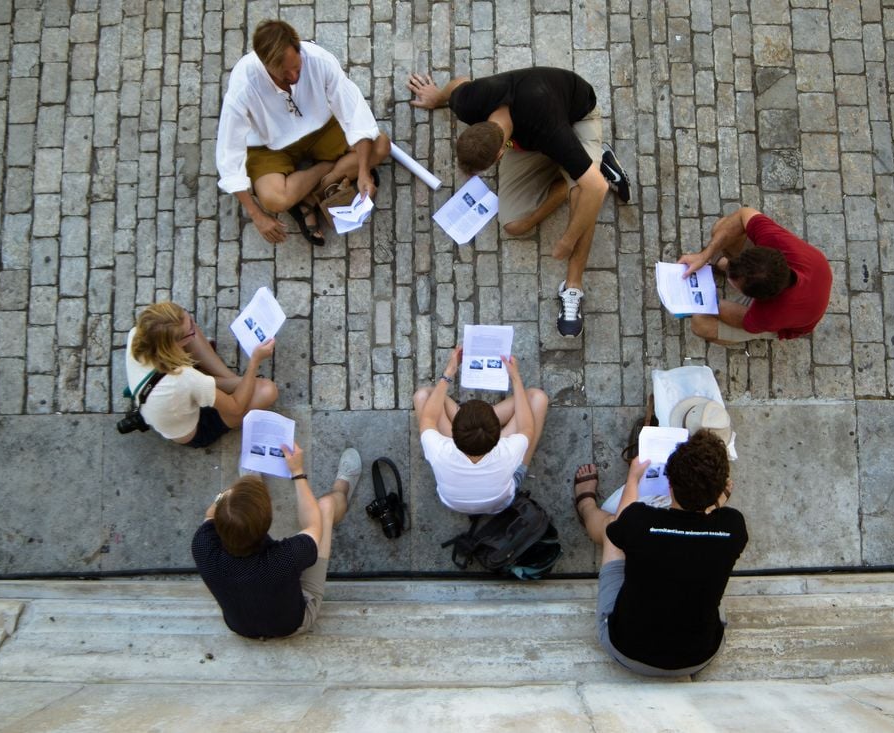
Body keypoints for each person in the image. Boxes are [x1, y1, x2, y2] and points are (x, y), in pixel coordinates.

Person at [407, 67, 631, 337]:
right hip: (530, 141)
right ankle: (581, 171)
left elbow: (596, 191)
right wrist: (437, 98)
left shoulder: (548, 129)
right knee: (513, 224)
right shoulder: (469, 103)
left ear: (501, 151)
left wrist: (567, 240)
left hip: (574, 120)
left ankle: (573, 285)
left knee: (585, 193)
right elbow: (458, 83)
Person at [573, 430, 747, 677]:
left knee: (613, 531)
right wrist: (713, 503)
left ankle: (585, 505)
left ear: (669, 483)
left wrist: (633, 479)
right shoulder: (733, 526)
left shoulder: (639, 522)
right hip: (700, 655)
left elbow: (619, 526)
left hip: (627, 649)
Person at [216, 19, 391, 247]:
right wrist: (256, 215)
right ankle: (330, 172)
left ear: (299, 48)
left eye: (296, 68)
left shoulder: (319, 60)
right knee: (274, 199)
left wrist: (364, 172)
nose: (293, 77)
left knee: (380, 146)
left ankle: (309, 196)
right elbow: (229, 153)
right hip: (268, 145)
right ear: (264, 63)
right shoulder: (243, 85)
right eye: (282, 74)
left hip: (321, 128)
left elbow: (355, 113)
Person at [192, 443, 362, 638]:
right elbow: (313, 525)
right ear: (267, 525)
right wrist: (297, 472)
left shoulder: (202, 546)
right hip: (294, 622)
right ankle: (342, 489)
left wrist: (233, 500)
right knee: (325, 506)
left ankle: (251, 479)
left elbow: (209, 515)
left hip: (241, 625)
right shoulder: (285, 558)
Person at [413, 346, 549, 514]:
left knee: (423, 396)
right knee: (537, 398)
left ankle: (472, 421)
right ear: (498, 435)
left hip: (452, 502)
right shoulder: (508, 451)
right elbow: (527, 427)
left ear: (453, 433)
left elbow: (428, 418)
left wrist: (449, 371)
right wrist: (515, 379)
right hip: (500, 502)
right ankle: (480, 421)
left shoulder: (440, 450)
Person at [125, 302, 278, 448]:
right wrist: (254, 362)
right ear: (172, 346)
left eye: (189, 317)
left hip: (176, 390)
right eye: (189, 329)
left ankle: (238, 383)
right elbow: (236, 408)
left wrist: (243, 383)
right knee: (267, 390)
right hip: (196, 428)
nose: (193, 324)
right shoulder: (184, 379)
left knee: (188, 331)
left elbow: (186, 379)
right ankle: (240, 384)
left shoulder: (136, 334)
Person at [678, 206, 833, 345]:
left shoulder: (769, 314)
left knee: (700, 324)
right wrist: (704, 256)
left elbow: (743, 321)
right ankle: (721, 264)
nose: (730, 275)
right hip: (809, 281)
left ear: (757, 299)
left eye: (733, 282)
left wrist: (704, 301)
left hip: (781, 321)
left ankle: (741, 339)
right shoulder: (776, 241)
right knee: (723, 227)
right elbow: (743, 214)